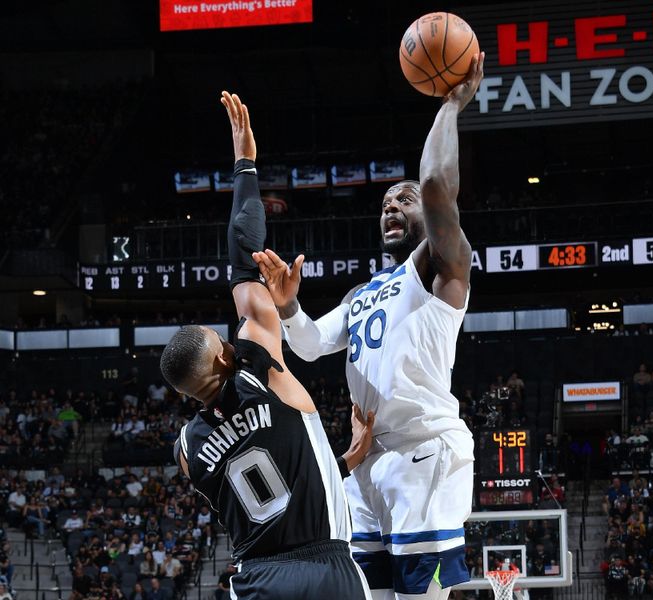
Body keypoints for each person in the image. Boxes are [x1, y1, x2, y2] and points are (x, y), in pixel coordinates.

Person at [254, 53, 485, 600]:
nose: (391, 206)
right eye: (384, 202)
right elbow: (309, 348)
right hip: (368, 459)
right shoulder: (362, 293)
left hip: (424, 450)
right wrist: (289, 309)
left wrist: (452, 105)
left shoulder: (440, 265)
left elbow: (433, 184)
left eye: (401, 200)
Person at [160, 92, 373, 599]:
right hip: (328, 571)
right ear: (220, 356)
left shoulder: (187, 451)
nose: (227, 338)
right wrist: (245, 165)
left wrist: (339, 464)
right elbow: (245, 254)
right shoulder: (258, 370)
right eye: (220, 338)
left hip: (257, 580)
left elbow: (267, 487)